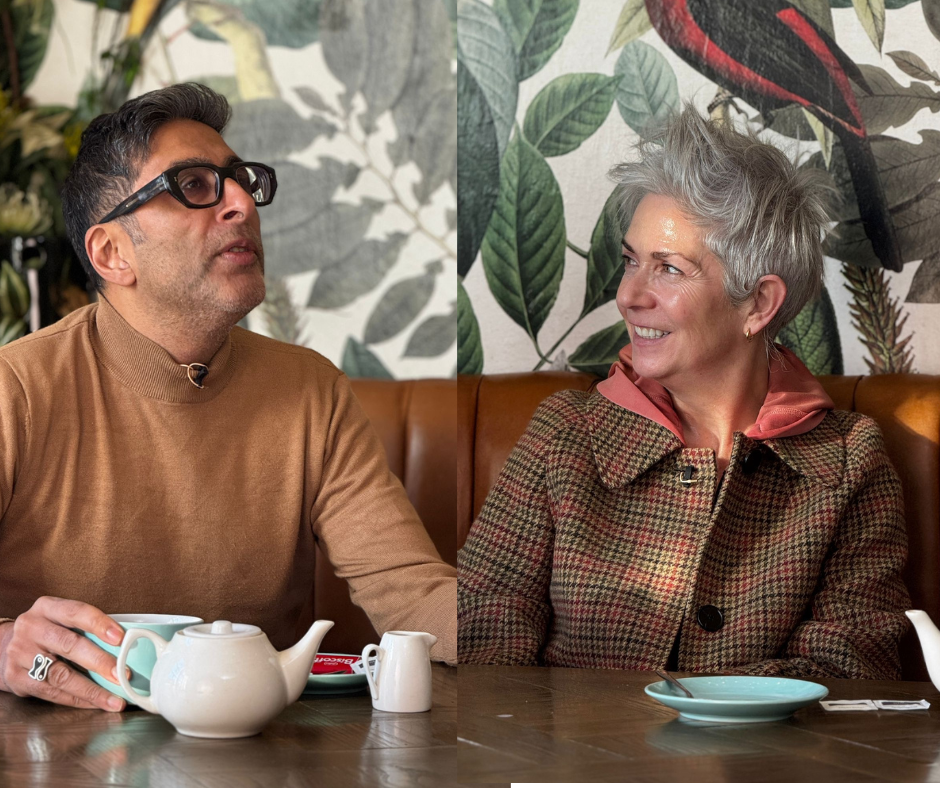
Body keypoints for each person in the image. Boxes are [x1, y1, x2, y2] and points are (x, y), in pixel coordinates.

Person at [0, 83, 456, 712]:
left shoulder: (310, 390)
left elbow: (413, 594)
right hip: (47, 746)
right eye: (193, 185)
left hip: (257, 748)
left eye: (240, 180)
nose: (241, 202)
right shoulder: (15, 389)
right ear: (112, 253)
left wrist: (565, 632)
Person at [458, 104, 910, 679]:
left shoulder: (849, 462)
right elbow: (484, 632)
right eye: (631, 261)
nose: (629, 296)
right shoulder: (565, 434)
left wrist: (700, 710)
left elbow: (852, 664)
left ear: (759, 304)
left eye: (669, 269)